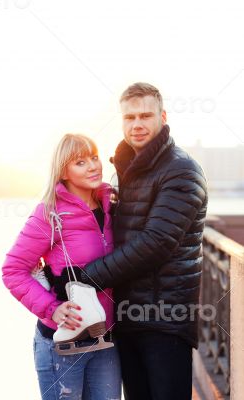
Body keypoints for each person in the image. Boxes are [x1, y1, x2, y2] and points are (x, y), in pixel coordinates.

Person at [77, 83, 208, 400]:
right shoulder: (124, 170)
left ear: (162, 117)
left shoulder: (181, 170)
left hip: (165, 320)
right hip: (128, 316)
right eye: (129, 117)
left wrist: (85, 277)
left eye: (145, 116)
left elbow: (156, 242)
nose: (136, 124)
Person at [2, 134, 121, 400]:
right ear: (63, 171)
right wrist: (52, 309)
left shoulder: (112, 206)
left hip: (105, 340)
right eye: (80, 162)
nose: (92, 166)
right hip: (63, 345)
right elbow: (13, 270)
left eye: (94, 157)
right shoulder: (49, 213)